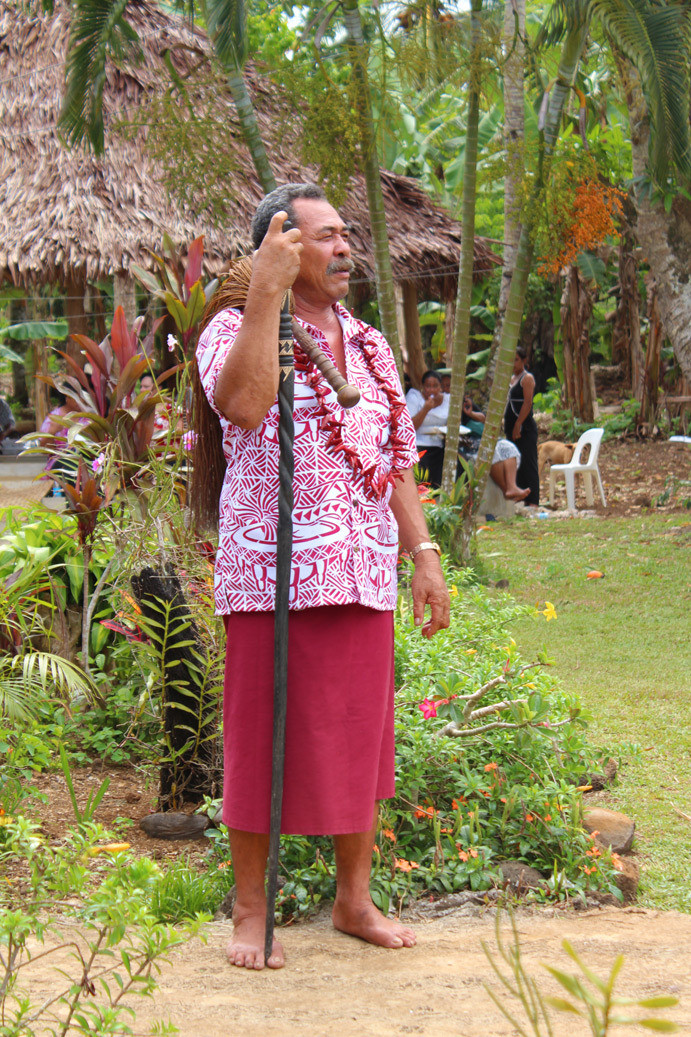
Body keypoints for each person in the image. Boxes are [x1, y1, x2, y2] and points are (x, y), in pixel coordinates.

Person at [193, 183, 450, 971]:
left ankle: (352, 899)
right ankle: (249, 910)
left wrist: (423, 553)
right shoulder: (232, 329)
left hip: (360, 567)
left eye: (345, 235)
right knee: (259, 734)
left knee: (356, 739)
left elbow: (395, 459)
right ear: (279, 246)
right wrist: (266, 293)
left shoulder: (369, 344)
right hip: (270, 570)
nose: (343, 249)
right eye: (324, 236)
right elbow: (242, 403)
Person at [462, 395, 529, 501]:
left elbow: (484, 419)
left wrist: (470, 413)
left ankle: (512, 487)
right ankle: (506, 490)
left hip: (488, 439)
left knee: (508, 447)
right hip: (469, 444)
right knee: (491, 453)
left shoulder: (465, 402)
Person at [504, 348, 540, 505]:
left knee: (528, 463)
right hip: (510, 425)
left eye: (516, 359)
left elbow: (527, 402)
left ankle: (533, 501)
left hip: (524, 427)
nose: (513, 363)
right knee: (516, 463)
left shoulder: (527, 378)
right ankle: (520, 497)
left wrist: (519, 423)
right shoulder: (511, 379)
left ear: (524, 360)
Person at [405, 369, 449, 488]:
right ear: (422, 387)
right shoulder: (415, 397)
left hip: (439, 444)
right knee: (422, 467)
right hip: (419, 444)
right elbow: (410, 427)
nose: (431, 390)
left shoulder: (448, 399)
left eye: (435, 386)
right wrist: (425, 409)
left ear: (440, 387)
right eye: (428, 386)